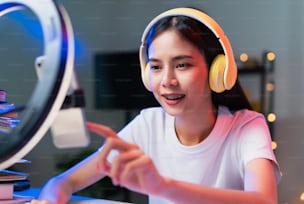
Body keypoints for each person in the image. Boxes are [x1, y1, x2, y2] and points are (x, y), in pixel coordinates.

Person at [29, 7, 281, 204]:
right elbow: (63, 182)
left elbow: (264, 200)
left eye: (182, 65)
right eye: (157, 67)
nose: (167, 81)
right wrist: (50, 199)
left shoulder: (248, 126)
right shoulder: (148, 125)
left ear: (218, 70)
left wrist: (162, 186)